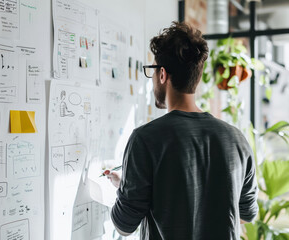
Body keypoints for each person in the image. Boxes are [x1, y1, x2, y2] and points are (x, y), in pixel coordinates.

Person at [104, 21, 258, 240]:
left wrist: (126, 192)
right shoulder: (236, 139)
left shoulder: (145, 139)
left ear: (163, 74)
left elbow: (124, 226)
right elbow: (245, 214)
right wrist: (130, 184)